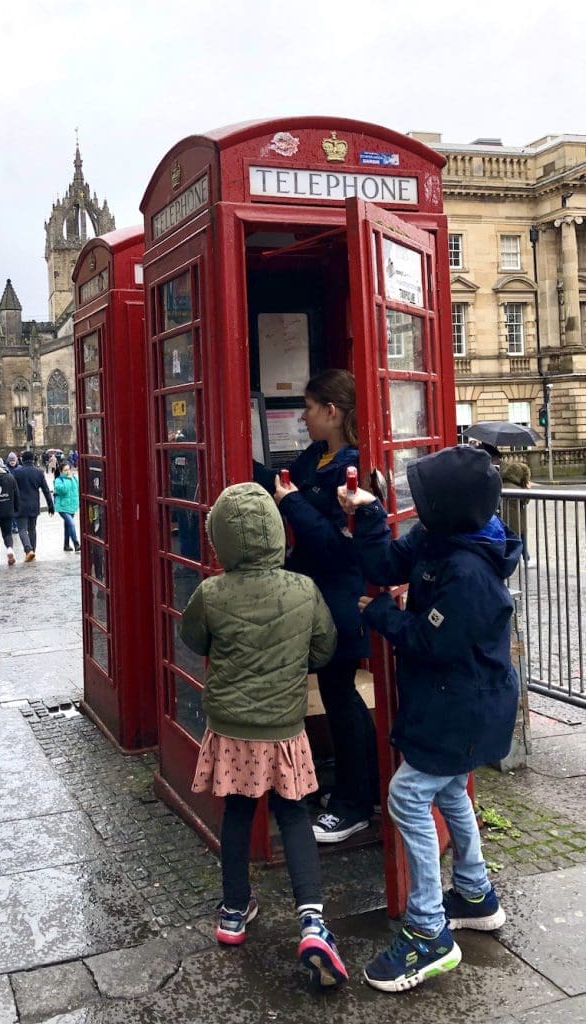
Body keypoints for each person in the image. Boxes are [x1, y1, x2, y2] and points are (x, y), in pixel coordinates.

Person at [337, 445, 521, 992]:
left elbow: (431, 642)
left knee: (408, 795)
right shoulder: (439, 537)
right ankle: (473, 893)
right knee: (448, 794)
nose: (417, 505)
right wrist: (366, 512)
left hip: (466, 706)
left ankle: (428, 934)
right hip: (451, 701)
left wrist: (386, 615)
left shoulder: (469, 573)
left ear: (446, 507)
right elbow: (384, 564)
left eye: (424, 497)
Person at [179, 482, 347, 988]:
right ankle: (313, 920)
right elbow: (324, 650)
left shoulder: (211, 591)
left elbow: (191, 639)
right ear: (276, 532)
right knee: (293, 814)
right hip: (284, 728)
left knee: (236, 813)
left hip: (231, 731)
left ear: (221, 540)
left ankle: (233, 912)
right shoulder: (302, 589)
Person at [256, 368, 378, 843]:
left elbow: (335, 545)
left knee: (341, 696)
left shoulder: (350, 467)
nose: (302, 417)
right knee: (339, 695)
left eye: (308, 408)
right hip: (316, 596)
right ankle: (361, 789)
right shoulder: (317, 456)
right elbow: (284, 481)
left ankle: (353, 806)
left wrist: (290, 504)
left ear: (330, 411)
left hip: (342, 599)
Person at [12, 450, 54, 561]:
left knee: (22, 529)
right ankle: (33, 551)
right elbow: (46, 490)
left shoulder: (16, 472)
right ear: (33, 459)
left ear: (22, 459)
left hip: (20, 505)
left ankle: (28, 549)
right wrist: (50, 505)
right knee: (32, 529)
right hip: (34, 505)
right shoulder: (39, 472)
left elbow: (12, 490)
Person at [54, 461, 80, 552]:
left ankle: (66, 545)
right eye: (65, 470)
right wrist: (68, 480)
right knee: (71, 524)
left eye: (69, 469)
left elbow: (78, 491)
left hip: (72, 506)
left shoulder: (74, 478)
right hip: (62, 507)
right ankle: (76, 543)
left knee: (68, 525)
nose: (68, 472)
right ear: (61, 472)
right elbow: (64, 491)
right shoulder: (58, 480)